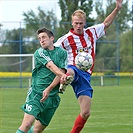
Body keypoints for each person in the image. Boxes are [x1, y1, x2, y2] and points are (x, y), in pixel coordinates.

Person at [54, 0, 123, 132]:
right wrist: (59, 71)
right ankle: (65, 79)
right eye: (76, 23)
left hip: (85, 76)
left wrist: (117, 9)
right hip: (72, 69)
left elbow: (106, 23)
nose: (78, 26)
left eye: (81, 23)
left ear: (84, 23)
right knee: (71, 71)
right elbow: (53, 50)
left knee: (86, 112)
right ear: (72, 23)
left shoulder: (91, 32)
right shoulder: (66, 39)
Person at [16, 27, 69, 133]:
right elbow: (50, 66)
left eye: (44, 37)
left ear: (52, 38)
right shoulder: (39, 53)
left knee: (37, 130)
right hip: (36, 94)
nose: (41, 40)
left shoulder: (62, 53)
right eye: (39, 39)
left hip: (52, 98)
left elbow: (60, 72)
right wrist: (63, 75)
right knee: (26, 124)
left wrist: (50, 88)